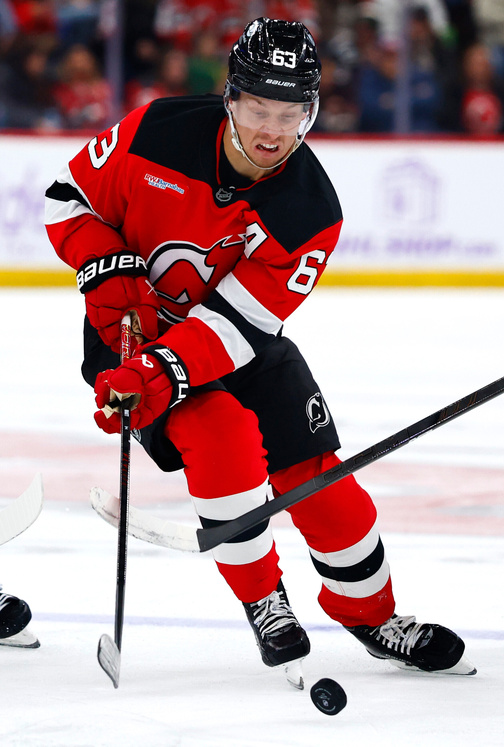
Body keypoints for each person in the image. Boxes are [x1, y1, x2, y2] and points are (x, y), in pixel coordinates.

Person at [43, 17, 474, 684]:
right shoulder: (155, 130)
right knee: (223, 440)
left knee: (326, 486)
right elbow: (67, 199)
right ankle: (263, 599)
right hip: (129, 331)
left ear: (312, 110)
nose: (273, 130)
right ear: (231, 98)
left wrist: (161, 375)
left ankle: (372, 614)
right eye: (258, 108)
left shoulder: (310, 210)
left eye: (290, 111)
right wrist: (106, 267)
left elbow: (237, 324)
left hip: (235, 340)